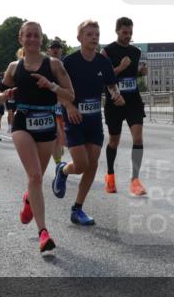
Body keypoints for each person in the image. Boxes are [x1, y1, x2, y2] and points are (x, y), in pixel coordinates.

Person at [0, 21, 75, 253]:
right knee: (35, 176)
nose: (32, 39)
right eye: (28, 35)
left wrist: (51, 86)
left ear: (41, 39)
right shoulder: (14, 67)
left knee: (36, 179)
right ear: (21, 38)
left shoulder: (54, 64)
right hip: (23, 121)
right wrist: (7, 94)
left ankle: (28, 199)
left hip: (47, 122)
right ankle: (43, 233)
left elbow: (70, 95)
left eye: (36, 35)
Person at [51, 20, 123, 226]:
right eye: (89, 34)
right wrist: (69, 106)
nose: (94, 38)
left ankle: (77, 209)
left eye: (97, 34)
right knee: (81, 165)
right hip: (74, 119)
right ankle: (63, 170)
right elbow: (56, 89)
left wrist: (116, 95)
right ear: (79, 38)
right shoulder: (69, 62)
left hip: (94, 121)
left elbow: (111, 85)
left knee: (92, 164)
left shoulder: (103, 62)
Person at [102, 17, 148, 196]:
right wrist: (120, 67)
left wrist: (140, 73)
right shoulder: (107, 51)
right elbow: (104, 77)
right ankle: (110, 176)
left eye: (130, 32)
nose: (128, 36)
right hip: (114, 100)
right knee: (114, 141)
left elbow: (131, 73)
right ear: (117, 31)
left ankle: (135, 180)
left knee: (138, 138)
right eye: (124, 32)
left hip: (133, 100)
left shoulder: (136, 52)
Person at [48, 39, 67, 165]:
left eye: (57, 47)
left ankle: (61, 144)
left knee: (62, 132)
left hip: (66, 101)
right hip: (51, 102)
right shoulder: (44, 64)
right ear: (49, 50)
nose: (55, 50)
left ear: (61, 50)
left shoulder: (67, 63)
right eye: (53, 47)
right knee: (56, 132)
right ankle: (58, 165)